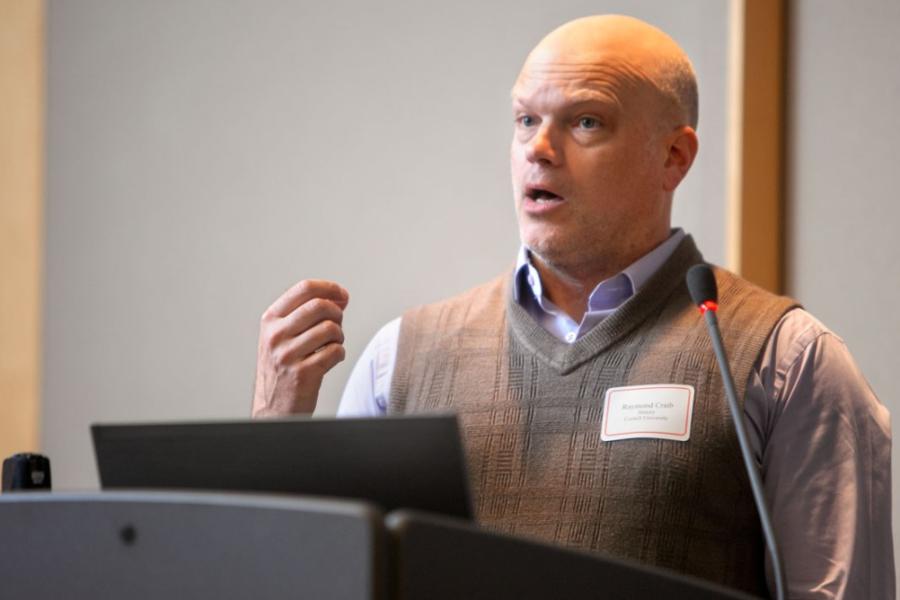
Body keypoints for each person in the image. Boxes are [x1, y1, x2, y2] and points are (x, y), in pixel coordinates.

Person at [251, 15, 893, 599]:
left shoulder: (782, 357)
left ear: (674, 156)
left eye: (585, 121)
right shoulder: (400, 358)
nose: (539, 148)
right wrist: (274, 428)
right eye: (526, 120)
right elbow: (310, 582)